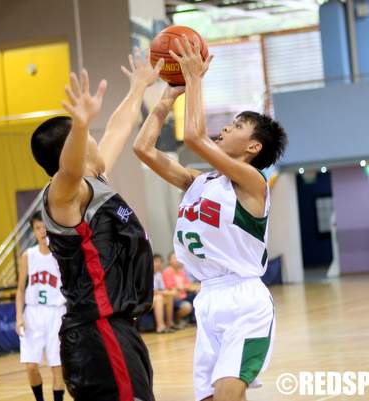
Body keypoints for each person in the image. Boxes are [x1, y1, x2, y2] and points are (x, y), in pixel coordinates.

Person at [133, 35, 287, 401]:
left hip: (244, 301)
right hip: (207, 299)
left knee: (229, 394)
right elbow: (142, 148)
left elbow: (194, 135)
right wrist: (167, 98)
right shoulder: (198, 181)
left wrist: (194, 79)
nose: (225, 129)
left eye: (236, 126)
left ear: (254, 147)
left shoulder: (253, 183)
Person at [31, 49, 163, 401]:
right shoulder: (64, 197)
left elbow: (120, 127)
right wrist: (80, 124)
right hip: (98, 333)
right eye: (89, 136)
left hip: (115, 331)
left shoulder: (96, 182)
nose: (95, 138)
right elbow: (70, 169)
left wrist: (139, 88)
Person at [16, 211, 66, 401]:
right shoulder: (28, 256)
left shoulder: (60, 254)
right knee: (30, 366)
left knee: (57, 365)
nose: (42, 231)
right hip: (33, 313)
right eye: (38, 228)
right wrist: (19, 317)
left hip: (56, 312)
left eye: (44, 227)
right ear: (34, 232)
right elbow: (20, 289)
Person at [162, 252, 194, 328]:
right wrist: (183, 287)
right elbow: (170, 287)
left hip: (183, 295)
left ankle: (192, 320)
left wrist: (183, 287)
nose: (177, 260)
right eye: (174, 258)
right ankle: (176, 319)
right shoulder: (167, 271)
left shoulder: (181, 272)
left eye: (178, 258)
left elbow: (188, 285)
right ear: (169, 260)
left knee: (196, 296)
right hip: (174, 297)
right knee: (187, 307)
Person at [152, 253, 175, 334]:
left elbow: (162, 288)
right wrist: (165, 292)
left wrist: (169, 293)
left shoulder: (158, 274)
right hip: (145, 298)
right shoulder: (145, 273)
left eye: (160, 262)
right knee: (159, 298)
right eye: (156, 261)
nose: (158, 264)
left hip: (156, 296)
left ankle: (169, 323)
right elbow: (150, 291)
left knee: (169, 298)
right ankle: (160, 327)